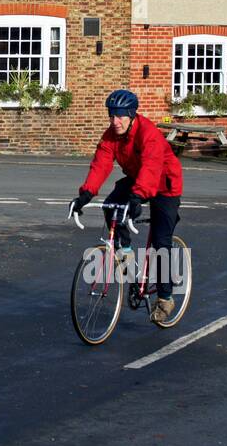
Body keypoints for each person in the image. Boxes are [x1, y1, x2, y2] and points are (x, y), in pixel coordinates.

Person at [68, 89, 183, 324]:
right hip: (136, 178)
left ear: (131, 116)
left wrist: (138, 197)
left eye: (120, 116)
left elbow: (151, 167)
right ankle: (127, 255)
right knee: (110, 206)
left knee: (161, 243)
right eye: (112, 115)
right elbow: (100, 164)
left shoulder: (148, 134)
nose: (115, 121)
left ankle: (165, 298)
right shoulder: (111, 135)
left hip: (164, 184)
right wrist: (86, 194)